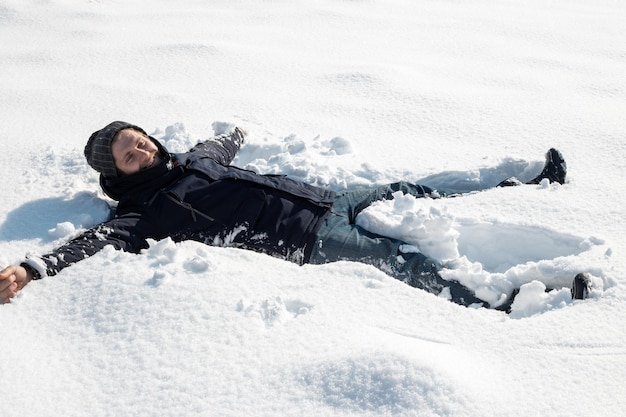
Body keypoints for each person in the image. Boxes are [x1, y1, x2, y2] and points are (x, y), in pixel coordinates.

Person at [0, 121, 583, 311]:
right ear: (118, 174)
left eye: (140, 140)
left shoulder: (191, 158)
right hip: (304, 237)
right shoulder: (144, 211)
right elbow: (94, 240)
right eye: (129, 155)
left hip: (325, 196)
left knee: (413, 187)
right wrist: (32, 269)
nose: (141, 151)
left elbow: (223, 147)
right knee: (399, 259)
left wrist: (235, 134)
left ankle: (526, 177)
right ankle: (497, 302)